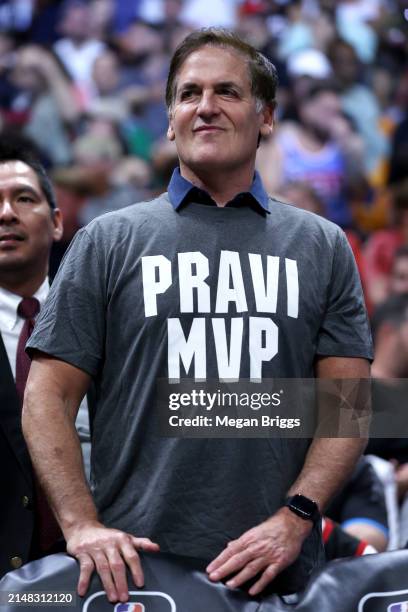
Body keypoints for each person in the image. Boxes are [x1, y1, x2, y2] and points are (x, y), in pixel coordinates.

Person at [23, 28, 372, 603]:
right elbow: (47, 398)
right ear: (169, 119)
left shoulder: (323, 243)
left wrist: (297, 516)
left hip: (278, 573)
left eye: (227, 92)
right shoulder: (108, 240)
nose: (205, 107)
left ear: (267, 118)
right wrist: (81, 524)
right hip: (135, 576)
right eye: (188, 94)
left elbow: (350, 406)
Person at [0, 138, 64, 576]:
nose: (6, 214)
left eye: (24, 198)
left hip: (95, 575)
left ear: (57, 222)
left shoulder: (107, 322)